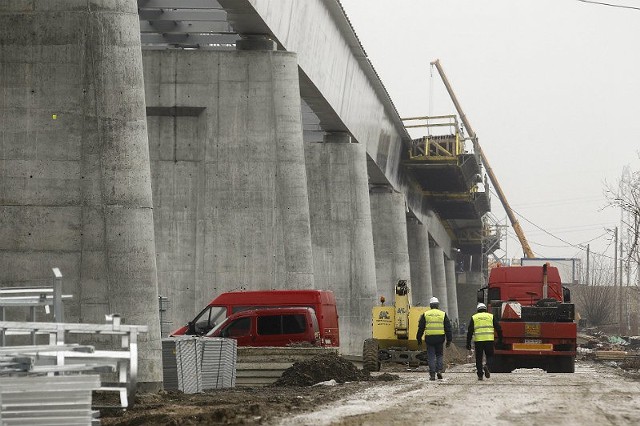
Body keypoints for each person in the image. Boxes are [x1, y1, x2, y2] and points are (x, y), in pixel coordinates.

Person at [416, 296, 453, 381]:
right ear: (438, 305)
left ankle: (432, 374)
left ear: (430, 305)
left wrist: (418, 338)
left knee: (431, 356)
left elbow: (421, 328)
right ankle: (439, 370)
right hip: (440, 338)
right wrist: (449, 340)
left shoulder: (426, 314)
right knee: (439, 355)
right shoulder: (442, 314)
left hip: (429, 338)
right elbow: (448, 328)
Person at [466, 302, 503, 381]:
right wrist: (500, 339)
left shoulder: (474, 317)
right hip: (489, 340)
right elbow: (498, 328)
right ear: (485, 309)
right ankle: (487, 366)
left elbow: (470, 331)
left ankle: (480, 375)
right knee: (490, 356)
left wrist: (468, 343)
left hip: (478, 341)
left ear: (478, 310)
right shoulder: (491, 316)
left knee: (479, 358)